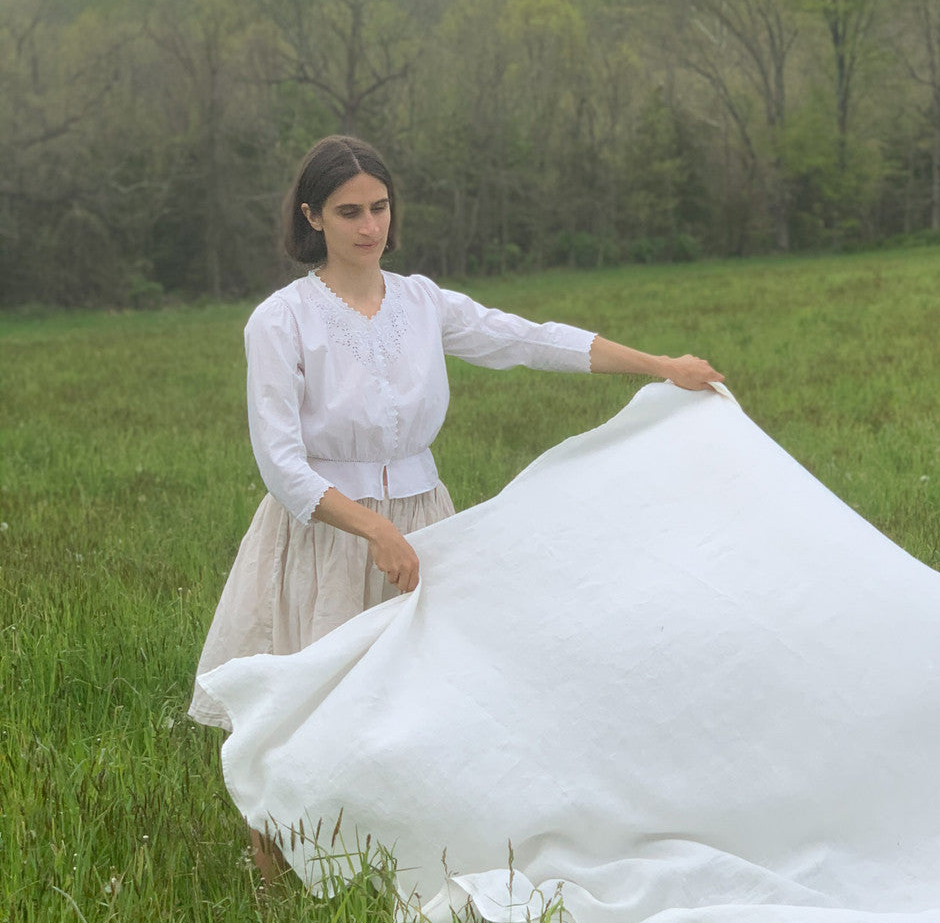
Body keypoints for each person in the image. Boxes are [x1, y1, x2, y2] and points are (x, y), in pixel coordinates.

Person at [188, 134, 724, 881]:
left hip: (422, 520)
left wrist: (660, 365)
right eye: (349, 212)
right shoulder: (280, 321)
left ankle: (398, 862)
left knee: (426, 702)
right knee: (306, 707)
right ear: (313, 216)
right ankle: (275, 876)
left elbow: (529, 340)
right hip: (325, 531)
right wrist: (370, 526)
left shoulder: (421, 301)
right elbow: (281, 463)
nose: (369, 226)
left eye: (379, 207)